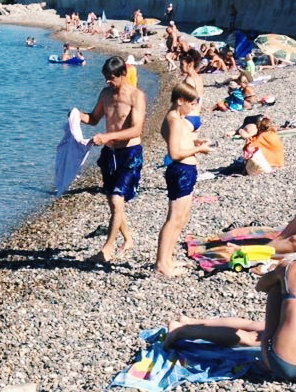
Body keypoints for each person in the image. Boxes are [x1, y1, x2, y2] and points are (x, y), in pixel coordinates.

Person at [165, 238, 296, 383]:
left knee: (275, 289)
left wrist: (288, 291)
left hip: (276, 361)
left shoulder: (290, 267)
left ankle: (186, 328)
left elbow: (261, 286)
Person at [77, 56, 146, 264]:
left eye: (111, 78)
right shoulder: (106, 94)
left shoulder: (136, 96)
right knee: (113, 201)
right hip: (110, 154)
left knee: (117, 200)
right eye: (106, 78)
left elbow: (136, 129)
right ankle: (129, 239)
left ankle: (106, 249)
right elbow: (94, 118)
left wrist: (107, 137)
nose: (108, 82)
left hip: (129, 153)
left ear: (122, 74)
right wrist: (76, 115)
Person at [155, 84, 212, 276]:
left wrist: (195, 143)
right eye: (191, 103)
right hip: (180, 171)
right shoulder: (174, 121)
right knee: (173, 219)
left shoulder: (177, 119)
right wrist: (199, 150)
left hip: (186, 170)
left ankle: (168, 259)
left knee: (182, 218)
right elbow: (175, 152)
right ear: (180, 101)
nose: (193, 107)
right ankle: (161, 263)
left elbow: (180, 141)